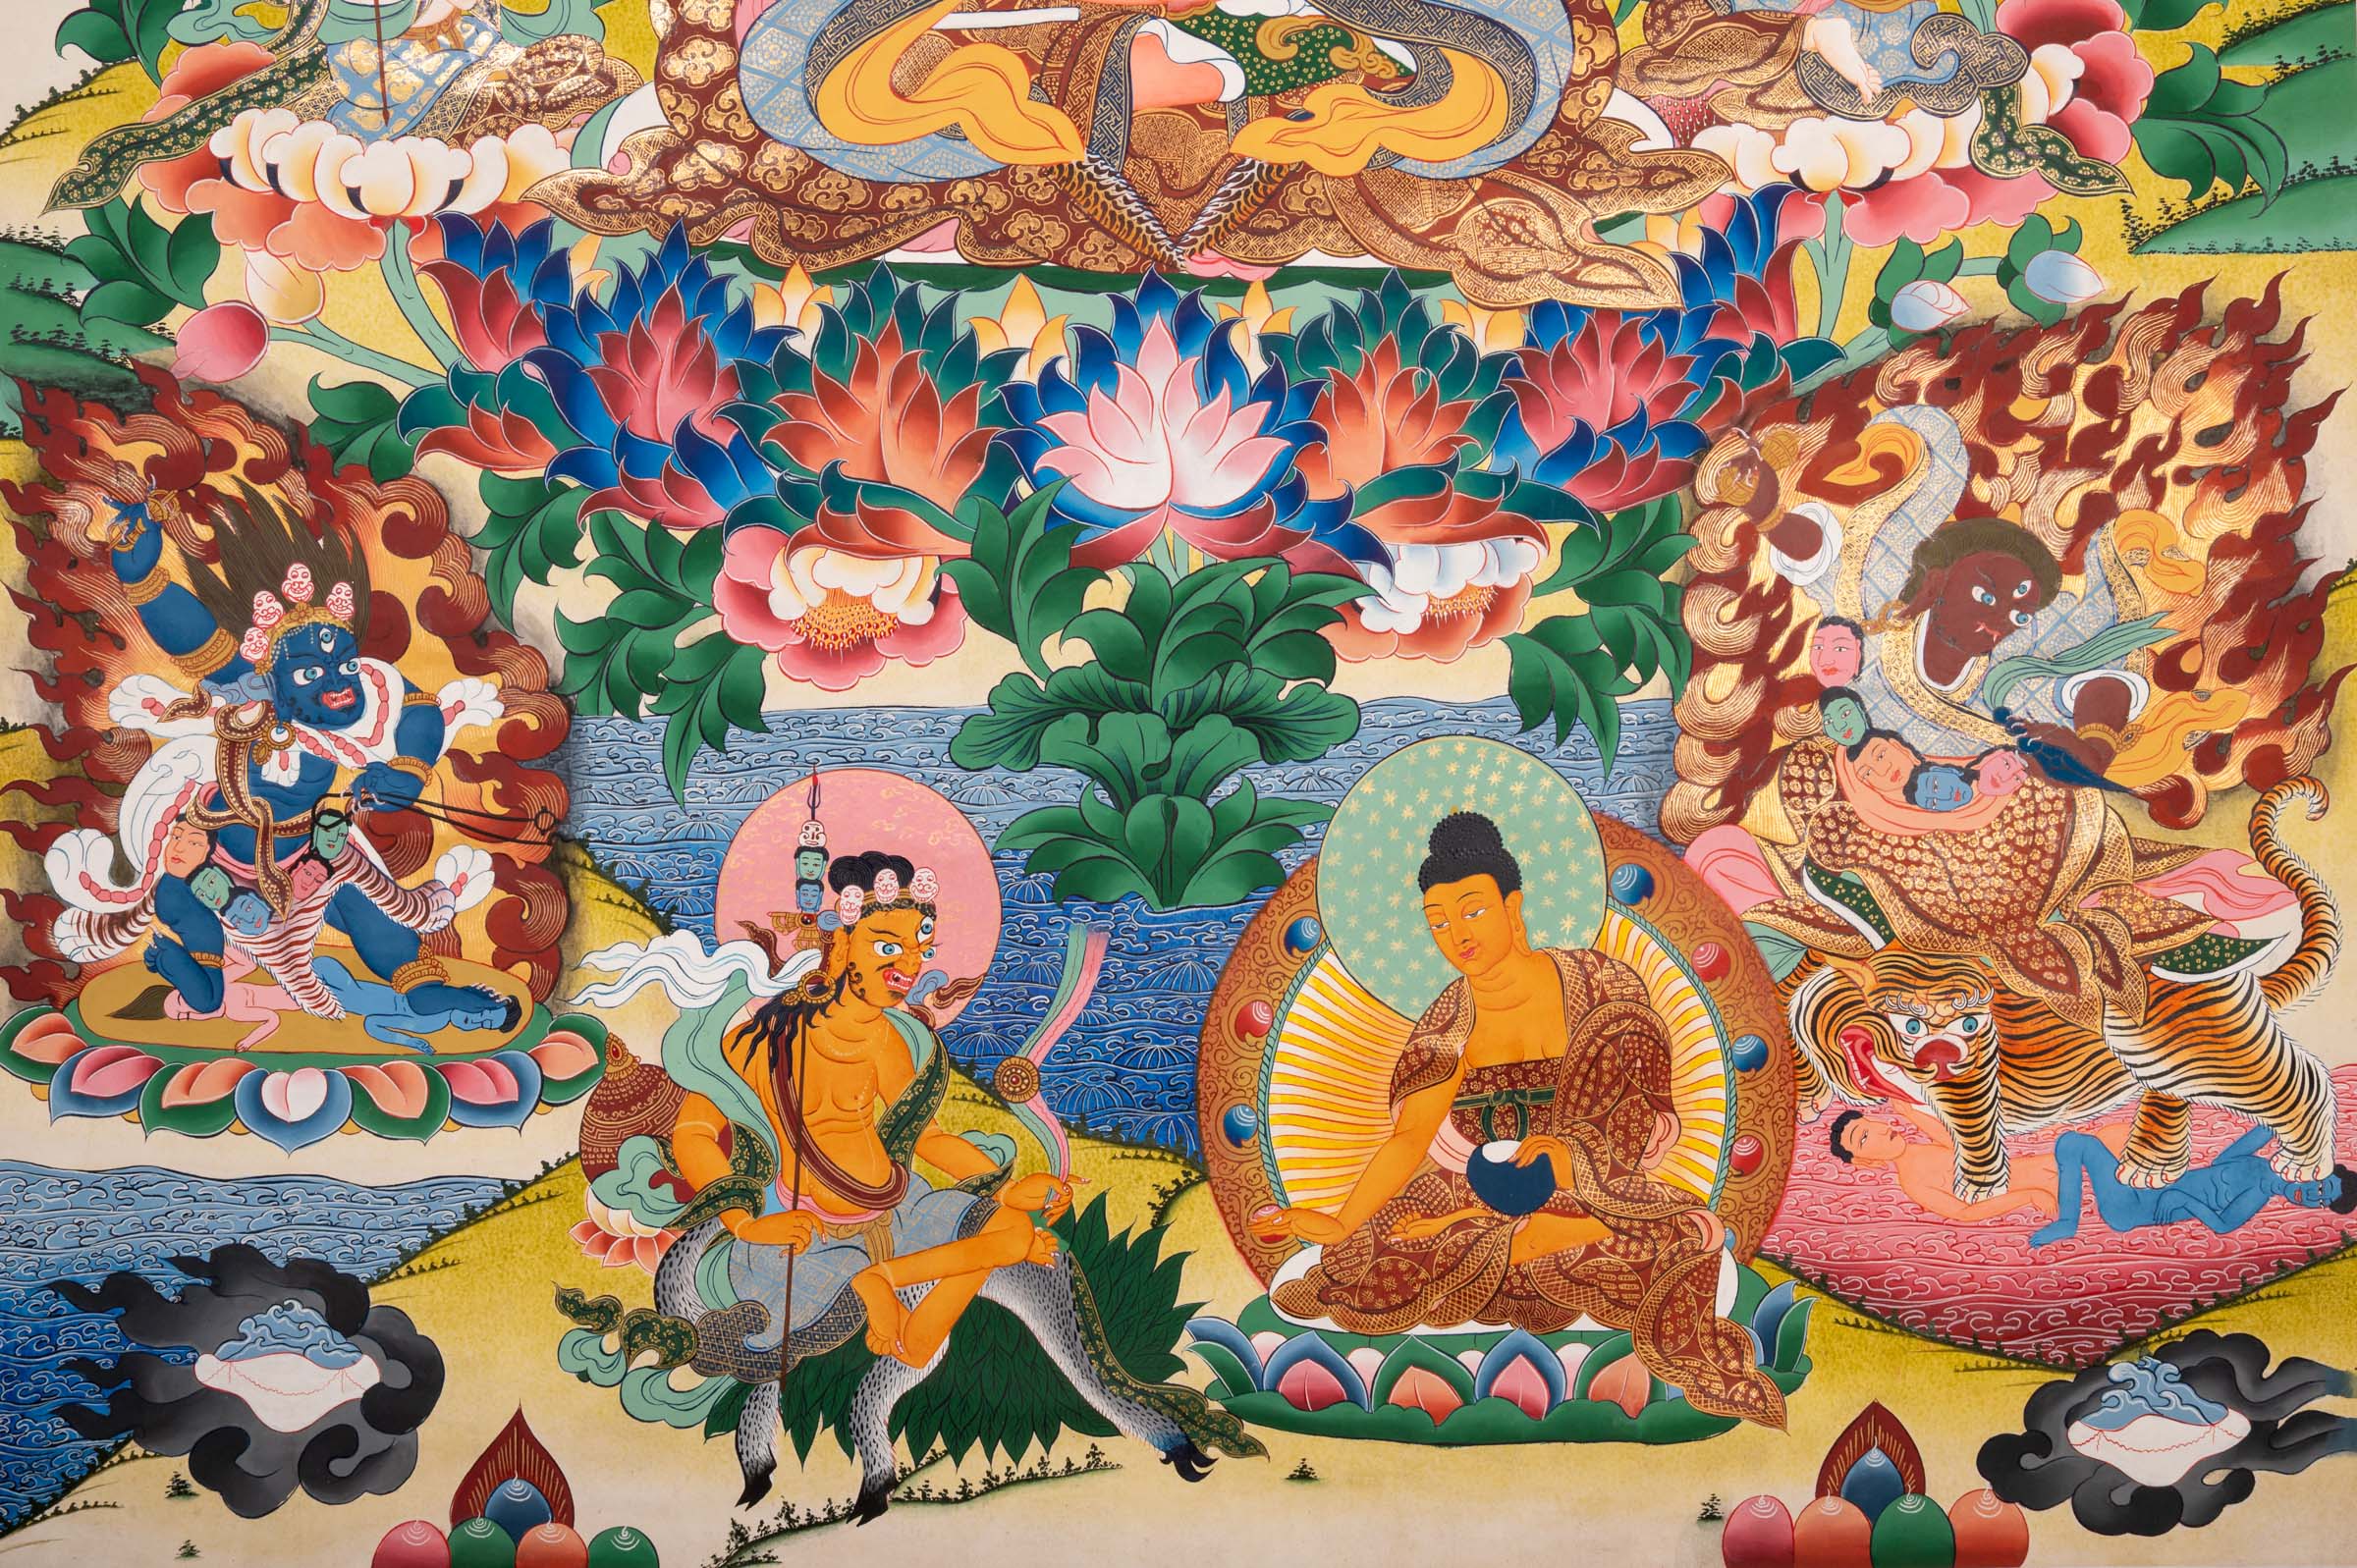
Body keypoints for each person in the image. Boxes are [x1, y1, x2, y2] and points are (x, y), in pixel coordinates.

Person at [1261, 812, 1785, 1427]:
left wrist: (1572, 1159)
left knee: (1673, 1242)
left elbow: (1636, 1110)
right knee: (1372, 1254)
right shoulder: (1450, 1021)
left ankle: (1518, 1254)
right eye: (1438, 922)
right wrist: (1343, 1220)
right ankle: (1516, 1251)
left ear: (1513, 907)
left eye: (1472, 911)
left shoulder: (1599, 985)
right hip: (1477, 1194)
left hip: (1598, 1195)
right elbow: (1409, 1138)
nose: (1456, 934)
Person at [669, 850, 1077, 1371]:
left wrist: (1004, 1189)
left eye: (919, 949)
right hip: (814, 1228)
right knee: (808, 1334)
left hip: (897, 1206)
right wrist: (744, 1222)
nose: (908, 967)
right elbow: (693, 1133)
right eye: (888, 947)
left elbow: (927, 1138)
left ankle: (882, 1281)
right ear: (841, 946)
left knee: (1012, 1232)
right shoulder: (761, 1040)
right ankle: (883, 1285)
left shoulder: (886, 1040)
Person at [2032, 1126, 2357, 1245]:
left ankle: (2068, 1222)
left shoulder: (2259, 1193)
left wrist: (2183, 1199)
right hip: (2139, 1187)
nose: (2312, 1195)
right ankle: (2067, 1221)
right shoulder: (2257, 1166)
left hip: (2131, 1208)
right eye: (2321, 1186)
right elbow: (2271, 1124)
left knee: (2075, 1144)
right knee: (2072, 1142)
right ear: (2314, 1169)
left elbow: (2223, 1225)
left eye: (2320, 1200)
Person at [1829, 1100, 2130, 1222]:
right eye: (1864, 1138)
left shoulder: (1922, 1150)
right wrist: (2028, 1196)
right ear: (1865, 1162)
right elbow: (1965, 1212)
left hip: (2046, 1165)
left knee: (2111, 1138)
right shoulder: (1913, 1183)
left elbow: (1959, 1142)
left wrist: (1910, 1113)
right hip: (2049, 1184)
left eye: (1872, 1124)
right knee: (2113, 1149)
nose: (1882, 1130)